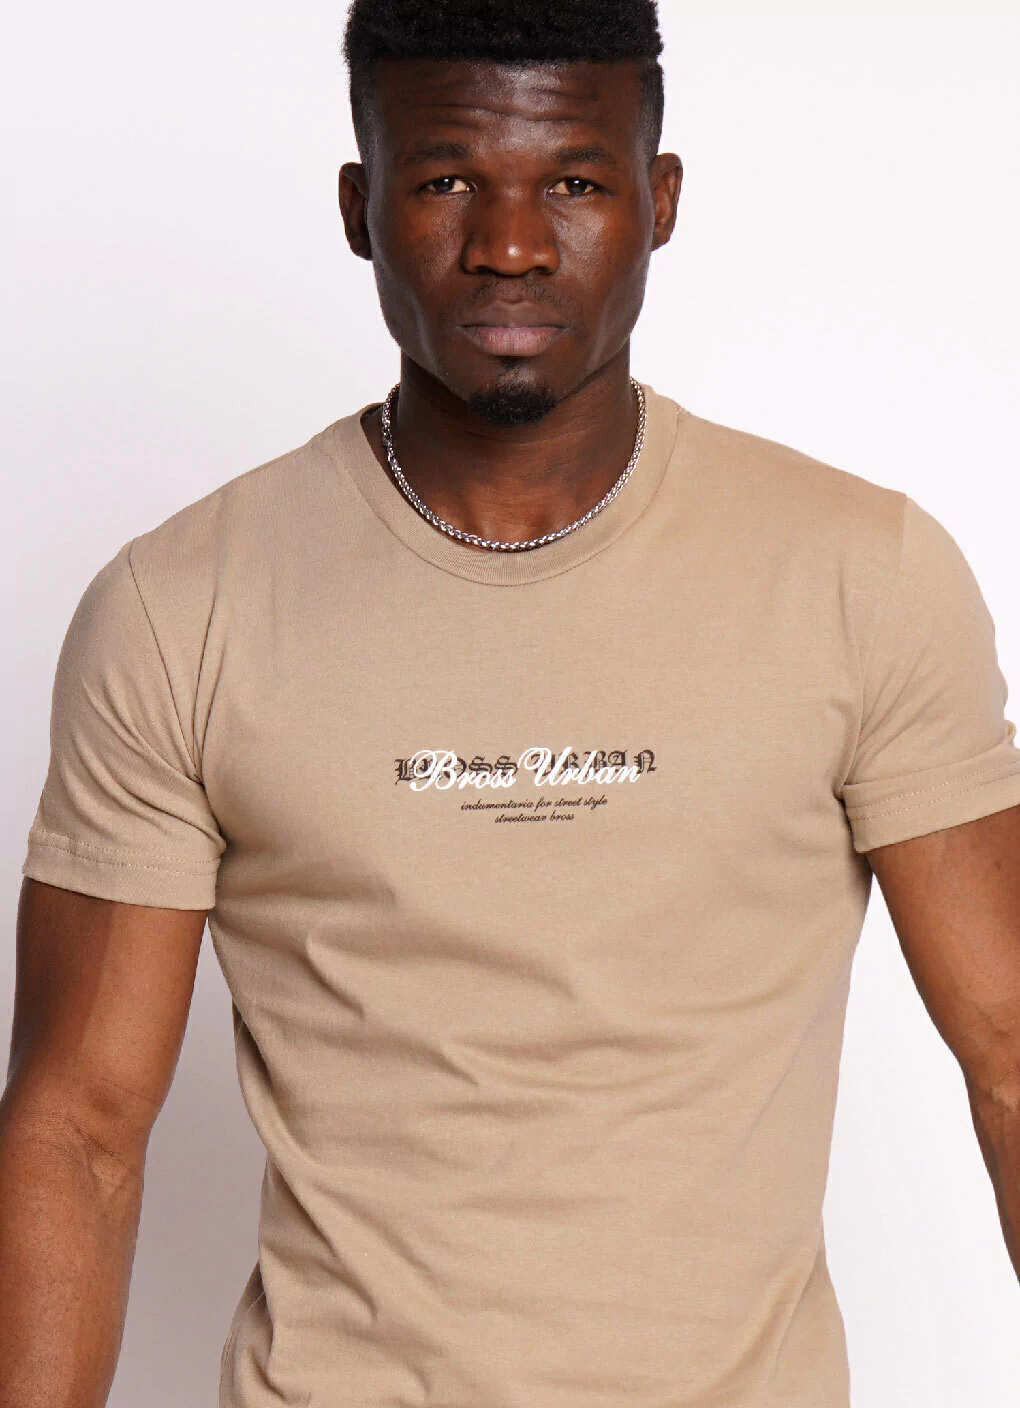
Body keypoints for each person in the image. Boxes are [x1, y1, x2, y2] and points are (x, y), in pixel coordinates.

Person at [2, 1, 1019, 1405]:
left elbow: (1009, 1045)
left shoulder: (862, 573)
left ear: (661, 201)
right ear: (360, 208)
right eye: (446, 180)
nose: (513, 244)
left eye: (576, 181)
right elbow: (80, 1128)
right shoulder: (183, 606)